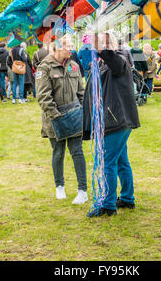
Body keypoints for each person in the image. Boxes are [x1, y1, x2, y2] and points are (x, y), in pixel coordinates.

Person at [83, 32, 140, 218]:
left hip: (116, 119)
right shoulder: (100, 63)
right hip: (112, 118)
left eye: (106, 42)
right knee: (121, 161)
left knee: (108, 162)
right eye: (100, 42)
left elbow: (115, 62)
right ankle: (127, 198)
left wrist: (102, 49)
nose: (102, 45)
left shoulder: (121, 58)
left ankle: (108, 204)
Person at [36, 35, 87, 204]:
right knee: (58, 153)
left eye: (72, 45)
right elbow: (44, 97)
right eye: (68, 46)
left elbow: (81, 92)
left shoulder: (74, 66)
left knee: (77, 152)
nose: (72, 48)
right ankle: (59, 186)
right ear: (57, 47)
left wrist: (81, 111)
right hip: (54, 120)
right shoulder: (45, 68)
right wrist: (58, 118)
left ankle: (82, 191)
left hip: (74, 117)